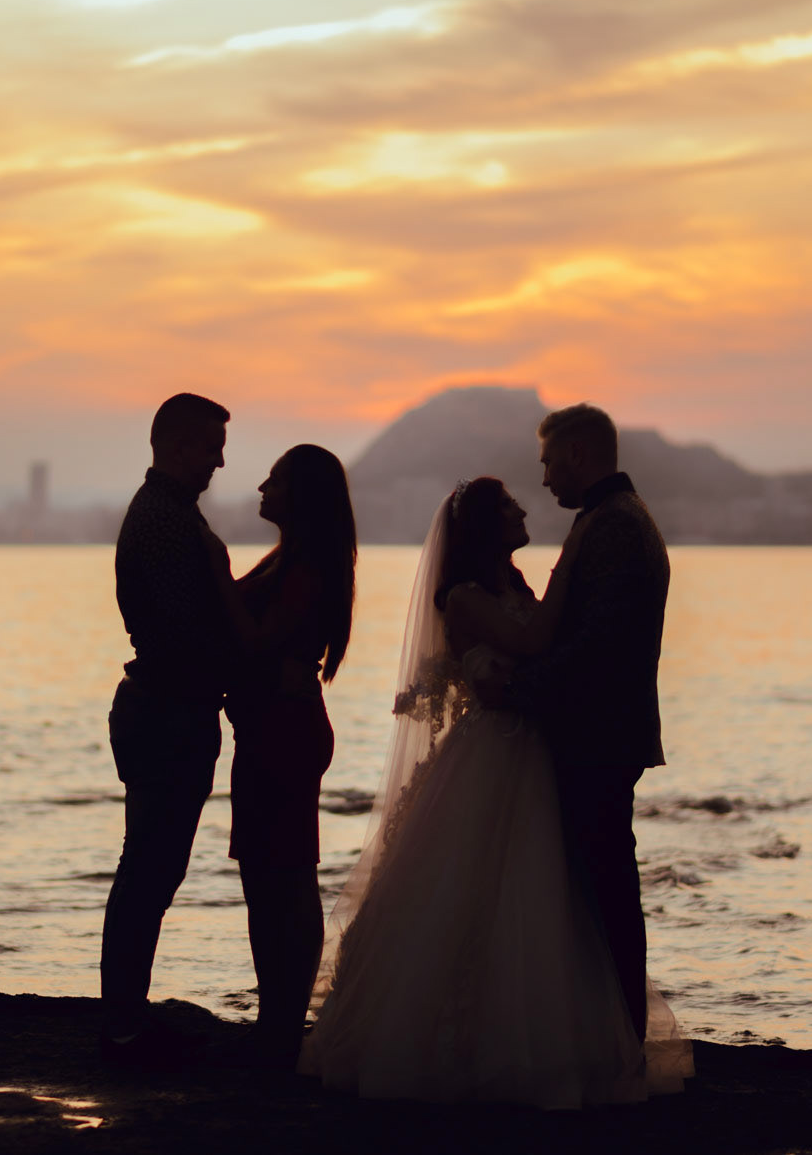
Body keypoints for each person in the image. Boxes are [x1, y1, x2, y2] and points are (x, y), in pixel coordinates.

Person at [300, 475, 689, 1107]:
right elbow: (536, 643)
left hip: (536, 748)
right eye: (508, 505)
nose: (521, 508)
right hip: (493, 750)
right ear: (484, 526)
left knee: (544, 889)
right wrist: (571, 568)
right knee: (475, 883)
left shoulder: (514, 588)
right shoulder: (463, 598)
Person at [502, 403, 671, 1047]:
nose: (544, 478)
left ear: (577, 453)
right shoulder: (611, 517)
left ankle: (620, 1039)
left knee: (605, 894)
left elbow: (598, 645)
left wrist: (514, 691)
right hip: (602, 732)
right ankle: (606, 1035)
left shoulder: (616, 525)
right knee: (597, 888)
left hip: (600, 736)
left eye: (548, 462)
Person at [206, 444, 356, 1068]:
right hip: (270, 727)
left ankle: (283, 1024)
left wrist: (218, 577)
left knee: (286, 876)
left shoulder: (305, 568)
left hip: (285, 731)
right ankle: (276, 1018)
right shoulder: (288, 560)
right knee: (265, 875)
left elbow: (257, 640)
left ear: (303, 495)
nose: (262, 487)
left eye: (276, 480)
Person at [99, 392, 234, 1070]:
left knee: (152, 869)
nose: (219, 462)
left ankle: (127, 1017)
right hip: (167, 712)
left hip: (166, 708)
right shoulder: (164, 522)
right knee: (149, 870)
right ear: (176, 447)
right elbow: (189, 633)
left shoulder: (170, 513)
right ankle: (125, 1026)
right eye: (210, 448)